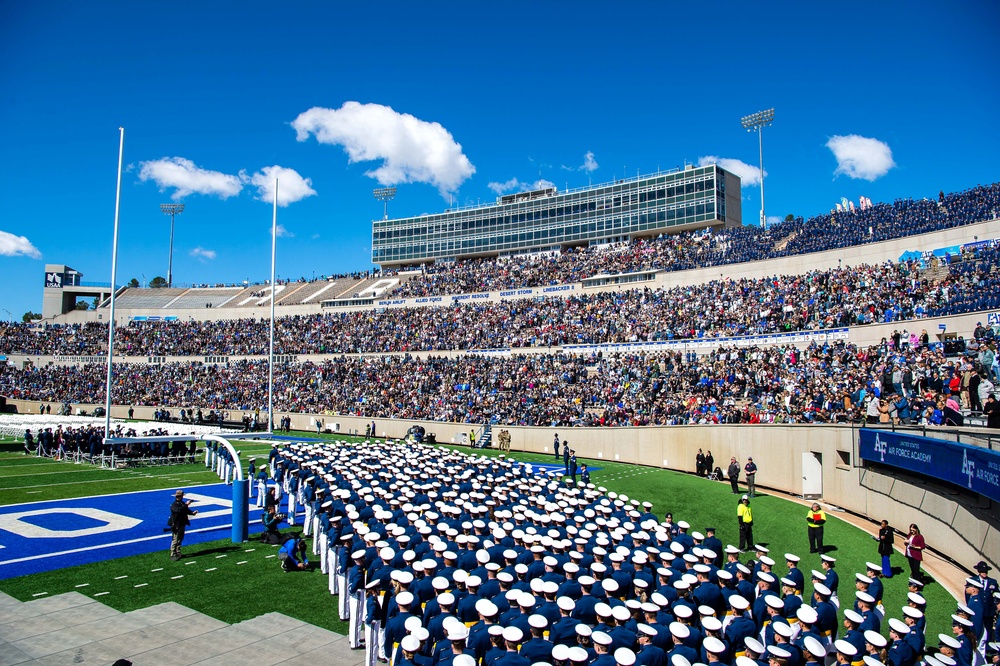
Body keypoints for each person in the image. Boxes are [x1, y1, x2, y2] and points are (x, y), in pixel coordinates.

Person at [168, 489, 197, 561]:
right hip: (176, 524)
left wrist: (192, 513)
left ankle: (178, 552)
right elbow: (179, 510)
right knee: (175, 540)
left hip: (182, 523)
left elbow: (186, 510)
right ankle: (173, 554)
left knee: (180, 539)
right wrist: (186, 504)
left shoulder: (181, 503)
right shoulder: (174, 504)